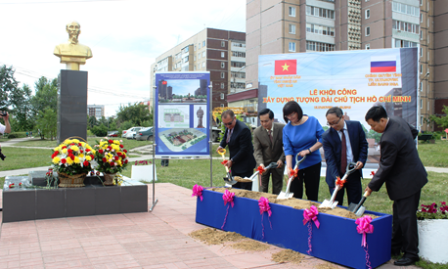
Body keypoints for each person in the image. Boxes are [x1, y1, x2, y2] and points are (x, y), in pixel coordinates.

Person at [364, 106, 427, 266]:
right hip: (410, 176)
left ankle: (411, 253)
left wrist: (371, 186)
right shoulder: (398, 120)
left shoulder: (388, 138)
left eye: (373, 125)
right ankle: (395, 247)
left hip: (407, 182)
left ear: (383, 120)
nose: (372, 128)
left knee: (407, 218)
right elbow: (414, 132)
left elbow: (385, 166)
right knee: (399, 216)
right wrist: (406, 151)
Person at [322, 107, 368, 206]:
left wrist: (361, 160)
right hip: (336, 175)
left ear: (342, 117)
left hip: (353, 171)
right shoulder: (326, 136)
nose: (333, 126)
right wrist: (336, 177)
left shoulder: (356, 126)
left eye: (335, 122)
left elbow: (363, 145)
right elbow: (330, 159)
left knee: (355, 205)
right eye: (329, 123)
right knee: (337, 207)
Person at [282, 101, 324, 200]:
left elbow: (323, 139)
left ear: (298, 111)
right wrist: (289, 168)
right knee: (295, 195)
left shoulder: (312, 121)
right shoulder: (286, 129)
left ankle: (312, 213)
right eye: (287, 116)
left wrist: (309, 150)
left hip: (313, 162)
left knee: (312, 193)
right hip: (296, 165)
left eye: (292, 114)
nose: (290, 118)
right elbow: (288, 149)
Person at [217, 110, 256, 190]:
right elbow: (226, 136)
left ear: (234, 118)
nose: (227, 126)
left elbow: (244, 150)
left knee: (245, 192)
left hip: (245, 166)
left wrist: (232, 160)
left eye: (229, 123)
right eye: (225, 124)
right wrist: (221, 145)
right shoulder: (229, 126)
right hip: (235, 166)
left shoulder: (243, 130)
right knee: (235, 190)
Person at [253, 108, 285, 194]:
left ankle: (275, 205)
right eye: (261, 121)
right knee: (262, 189)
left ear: (272, 119)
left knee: (277, 189)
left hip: (278, 164)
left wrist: (281, 159)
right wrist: (261, 164)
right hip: (264, 164)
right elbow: (257, 150)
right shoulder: (257, 132)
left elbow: (286, 147)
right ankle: (263, 206)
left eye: (266, 121)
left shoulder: (282, 128)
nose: (264, 124)